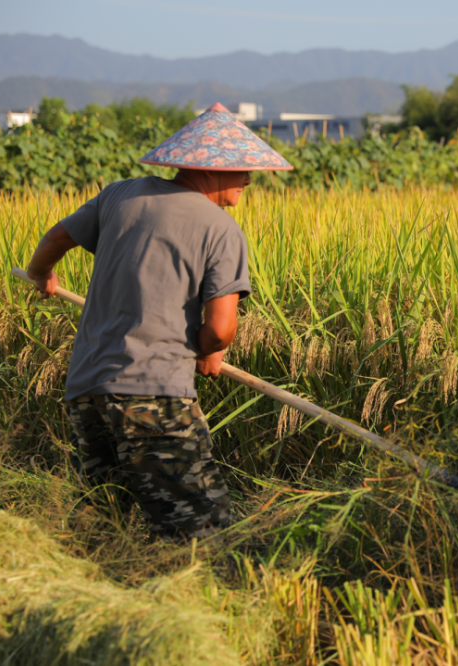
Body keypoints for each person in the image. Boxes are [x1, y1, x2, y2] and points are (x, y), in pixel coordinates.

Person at [25, 103, 292, 540]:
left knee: (112, 519)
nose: (248, 180)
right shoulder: (220, 229)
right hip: (153, 396)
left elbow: (56, 237)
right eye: (243, 169)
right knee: (199, 526)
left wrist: (41, 274)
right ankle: (195, 599)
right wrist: (208, 350)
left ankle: (111, 592)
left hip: (87, 390)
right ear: (210, 169)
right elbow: (221, 328)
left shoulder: (120, 195)